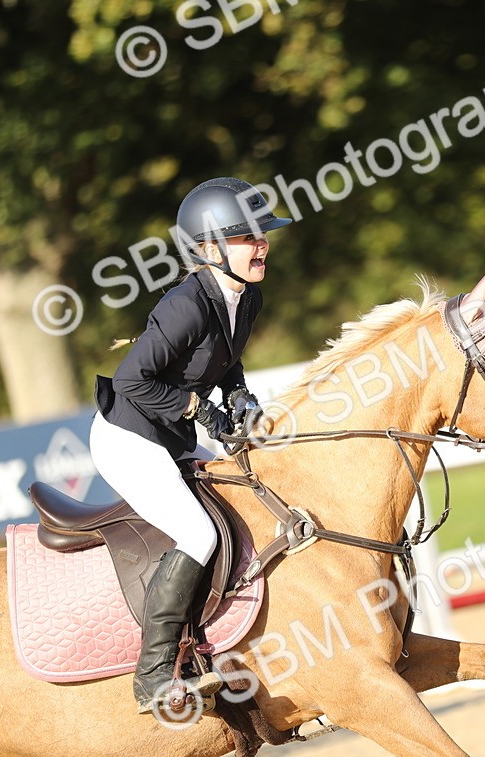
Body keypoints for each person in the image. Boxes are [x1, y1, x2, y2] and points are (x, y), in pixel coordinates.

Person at [89, 177, 291, 713]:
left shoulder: (246, 298)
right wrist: (201, 410)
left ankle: (212, 640)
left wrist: (241, 397)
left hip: (169, 435)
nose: (262, 244)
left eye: (262, 234)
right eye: (247, 237)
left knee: (246, 495)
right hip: (128, 438)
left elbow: (228, 359)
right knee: (198, 532)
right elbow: (133, 379)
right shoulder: (185, 305)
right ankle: (152, 673)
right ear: (208, 249)